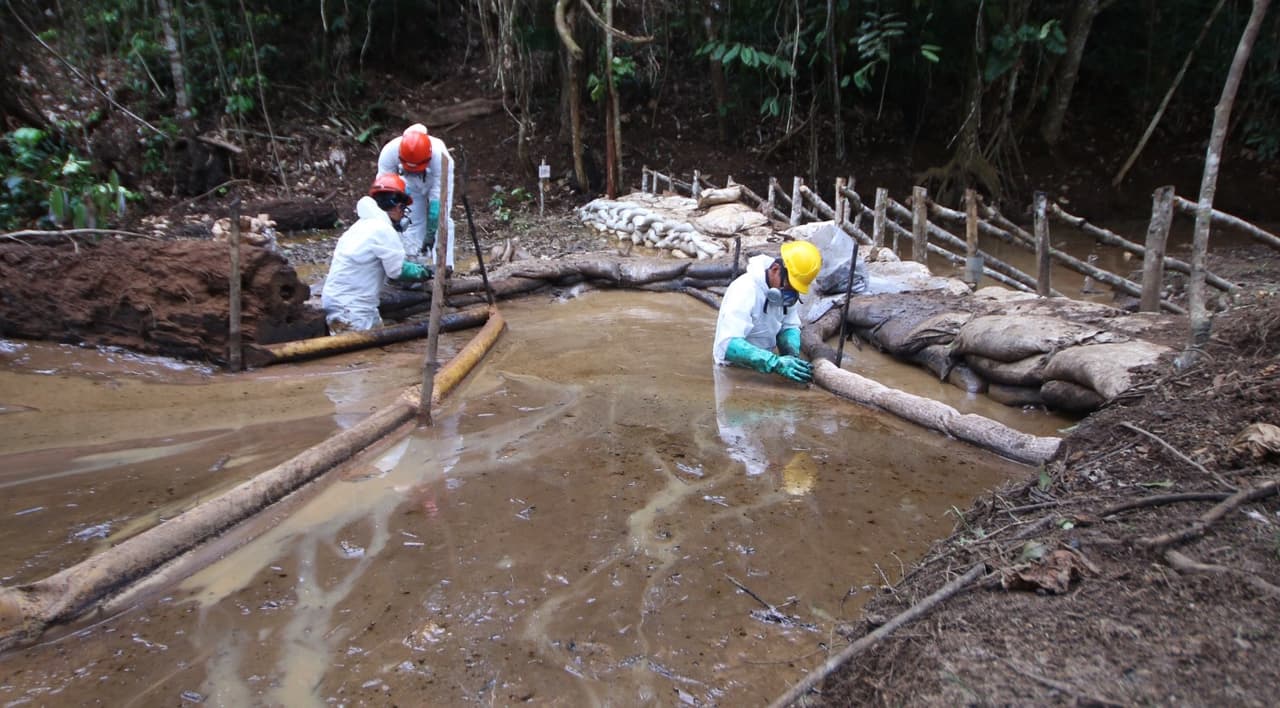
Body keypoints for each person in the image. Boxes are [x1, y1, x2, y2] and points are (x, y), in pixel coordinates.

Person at [321, 174, 431, 332]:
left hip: (343, 302)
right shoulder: (383, 229)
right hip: (352, 308)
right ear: (397, 205)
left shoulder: (360, 226)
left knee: (377, 345)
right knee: (361, 354)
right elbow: (396, 271)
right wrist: (424, 271)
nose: (403, 214)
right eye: (403, 208)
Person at [713, 240, 822, 383]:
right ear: (776, 269)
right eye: (789, 285)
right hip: (733, 371)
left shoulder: (786, 294)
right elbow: (727, 345)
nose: (791, 291)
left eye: (796, 288)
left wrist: (791, 355)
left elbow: (788, 327)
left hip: (764, 366)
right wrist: (775, 363)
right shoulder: (745, 289)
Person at [377, 123, 455, 272]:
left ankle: (444, 268)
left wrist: (431, 234)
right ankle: (417, 265)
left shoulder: (441, 158)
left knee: (442, 221)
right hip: (408, 183)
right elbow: (383, 187)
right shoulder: (389, 152)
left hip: (434, 181)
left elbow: (437, 203)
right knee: (413, 221)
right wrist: (392, 215)